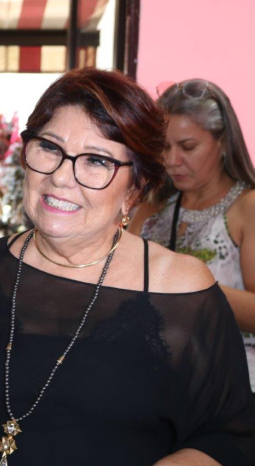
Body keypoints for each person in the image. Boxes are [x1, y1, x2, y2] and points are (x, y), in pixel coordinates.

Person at [0, 68, 255, 465]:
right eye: (49, 148)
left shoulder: (182, 293)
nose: (61, 177)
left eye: (95, 160)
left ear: (135, 189)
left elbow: (228, 437)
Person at [129, 79, 255, 390]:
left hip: (231, 386)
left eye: (187, 147)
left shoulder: (248, 207)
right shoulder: (151, 207)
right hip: (154, 383)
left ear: (222, 141)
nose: (172, 161)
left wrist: (186, 283)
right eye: (164, 147)